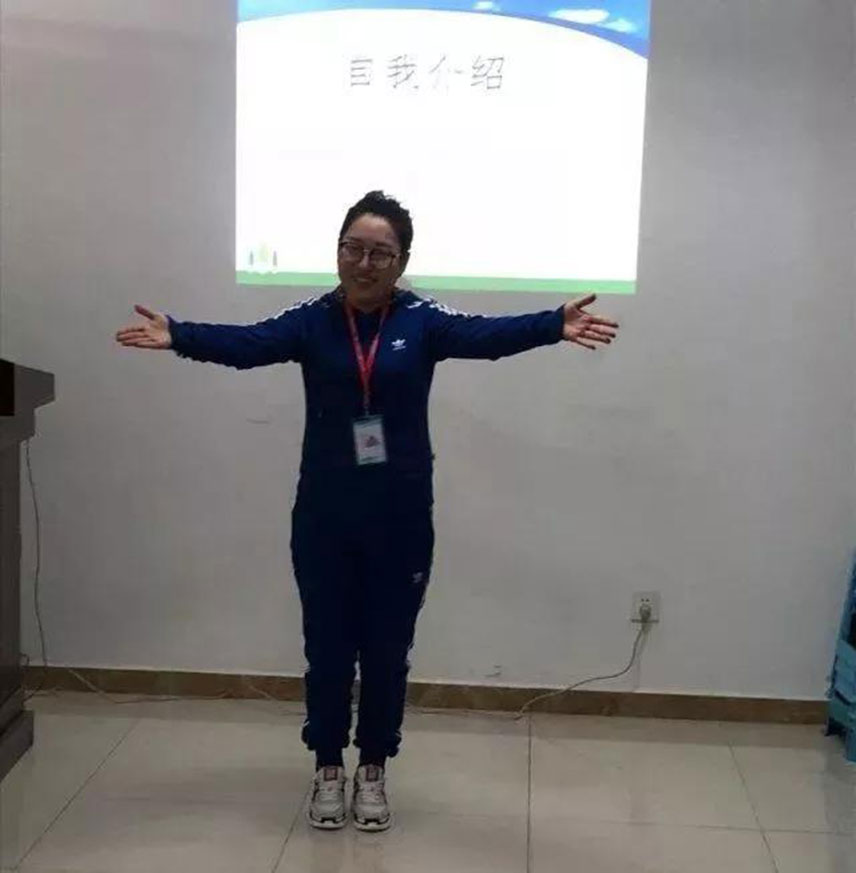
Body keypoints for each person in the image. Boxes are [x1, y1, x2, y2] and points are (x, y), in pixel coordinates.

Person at [115, 191, 619, 832]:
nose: (364, 263)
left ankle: (374, 767)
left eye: (380, 253)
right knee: (327, 650)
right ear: (338, 252)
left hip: (400, 517)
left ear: (401, 262)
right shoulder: (312, 320)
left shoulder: (423, 321)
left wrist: (551, 323)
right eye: (353, 248)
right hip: (324, 514)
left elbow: (485, 336)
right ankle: (328, 766)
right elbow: (250, 343)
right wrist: (180, 336)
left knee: (386, 651)